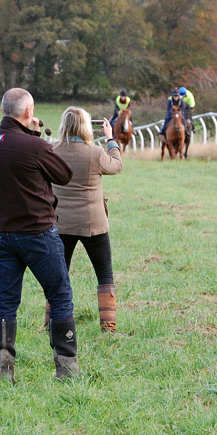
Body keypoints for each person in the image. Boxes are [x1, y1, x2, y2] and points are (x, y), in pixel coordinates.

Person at [0, 88, 76, 382]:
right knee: (60, 295)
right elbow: (64, 175)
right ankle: (66, 368)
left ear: (2, 111)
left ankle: (4, 366)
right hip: (38, 232)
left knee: (6, 300)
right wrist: (37, 139)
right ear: (29, 112)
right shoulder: (35, 146)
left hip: (3, 233)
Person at [52, 108, 123, 332]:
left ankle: (52, 322)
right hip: (94, 223)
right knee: (104, 273)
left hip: (61, 222)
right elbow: (116, 165)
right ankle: (108, 326)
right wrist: (110, 138)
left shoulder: (52, 151)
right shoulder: (95, 152)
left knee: (58, 275)